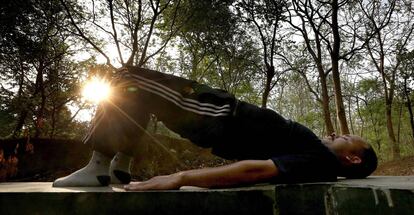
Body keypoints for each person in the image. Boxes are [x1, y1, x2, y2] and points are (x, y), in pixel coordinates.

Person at [53, 66, 378, 190]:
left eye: (347, 139)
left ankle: (98, 165)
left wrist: (179, 178)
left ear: (353, 160)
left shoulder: (318, 160)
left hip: (218, 115)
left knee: (126, 79)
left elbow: (255, 171)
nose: (337, 134)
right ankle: (117, 165)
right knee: (141, 96)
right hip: (217, 116)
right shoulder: (316, 157)